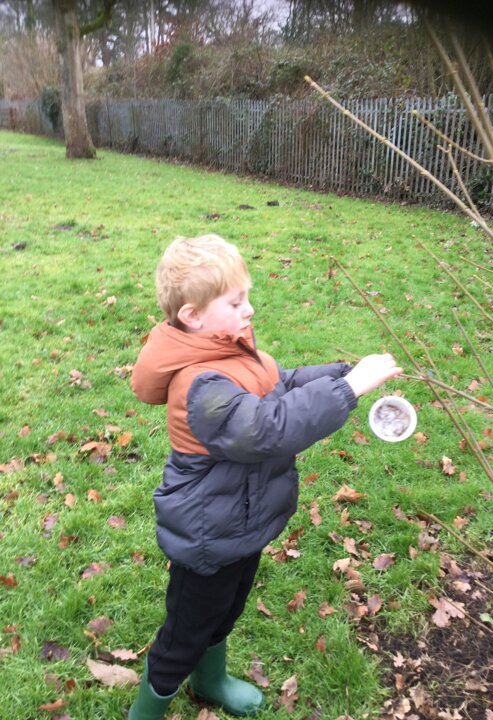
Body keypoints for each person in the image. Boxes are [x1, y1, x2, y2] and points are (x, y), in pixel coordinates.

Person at [128, 234, 403, 719]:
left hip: (238, 523)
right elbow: (267, 428)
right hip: (207, 534)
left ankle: (210, 681)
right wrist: (349, 391)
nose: (249, 309)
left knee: (226, 611)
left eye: (247, 297)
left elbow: (281, 382)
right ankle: (146, 711)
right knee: (184, 635)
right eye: (236, 302)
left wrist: (343, 374)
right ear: (193, 315)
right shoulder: (200, 384)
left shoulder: (227, 351)